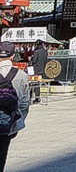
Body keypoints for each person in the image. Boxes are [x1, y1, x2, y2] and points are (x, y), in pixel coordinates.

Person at [0, 41, 29, 171]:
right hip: (8, 123)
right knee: (2, 155)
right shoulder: (21, 75)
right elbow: (24, 103)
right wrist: (18, 121)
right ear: (12, 56)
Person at [29, 40, 47, 104]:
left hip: (35, 69)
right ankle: (37, 97)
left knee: (33, 83)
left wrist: (31, 59)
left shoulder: (36, 52)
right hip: (42, 69)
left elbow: (34, 61)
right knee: (38, 84)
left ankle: (30, 98)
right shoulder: (45, 51)